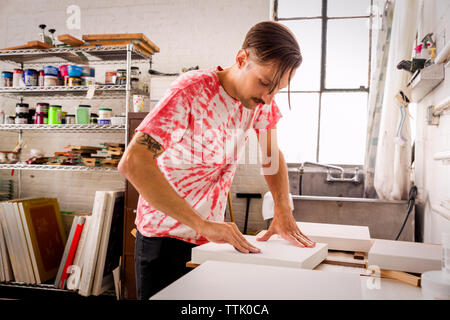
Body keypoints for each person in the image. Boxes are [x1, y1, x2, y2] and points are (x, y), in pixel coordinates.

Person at [118, 20, 315, 300]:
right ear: (241, 58)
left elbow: (271, 155)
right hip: (163, 240)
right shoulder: (191, 91)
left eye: (278, 90)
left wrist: (283, 210)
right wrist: (202, 224)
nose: (269, 98)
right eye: (265, 84)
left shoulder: (260, 102)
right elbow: (133, 162)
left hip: (209, 240)